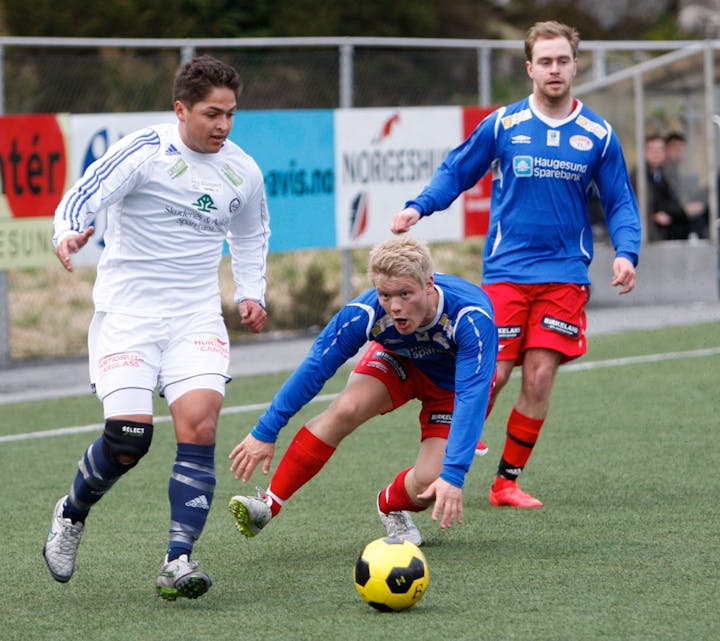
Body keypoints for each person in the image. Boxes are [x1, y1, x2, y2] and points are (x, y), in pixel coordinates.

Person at [44, 55, 271, 600]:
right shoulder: (144, 151)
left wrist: (250, 293)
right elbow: (83, 194)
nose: (222, 125)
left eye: (230, 115)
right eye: (212, 114)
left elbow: (250, 233)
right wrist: (70, 232)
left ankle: (178, 559)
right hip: (129, 315)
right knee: (128, 439)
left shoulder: (244, 171)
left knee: (201, 423)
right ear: (181, 110)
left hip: (195, 318)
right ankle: (72, 511)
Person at [390, 20, 641, 509]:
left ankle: (506, 482)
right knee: (495, 371)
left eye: (562, 60)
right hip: (507, 270)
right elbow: (458, 170)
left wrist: (628, 252)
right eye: (544, 61)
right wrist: (420, 205)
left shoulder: (598, 135)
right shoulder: (504, 124)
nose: (554, 69)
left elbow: (621, 203)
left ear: (574, 65)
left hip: (565, 272)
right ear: (529, 68)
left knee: (540, 374)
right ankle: (448, 458)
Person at [227, 235, 497, 546]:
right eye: (385, 294)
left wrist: (454, 474)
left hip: (450, 388)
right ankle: (268, 505)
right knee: (346, 408)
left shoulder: (471, 317)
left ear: (428, 284)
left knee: (430, 481)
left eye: (405, 294)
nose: (395, 306)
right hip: (401, 361)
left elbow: (471, 396)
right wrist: (266, 430)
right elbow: (315, 367)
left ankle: (390, 506)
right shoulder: (366, 312)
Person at [643, 133, 691, 242]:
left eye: (660, 150)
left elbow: (672, 199)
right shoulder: (638, 176)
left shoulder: (665, 174)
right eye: (652, 150)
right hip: (649, 225)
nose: (656, 154)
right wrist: (652, 215)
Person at [663, 130, 709, 239]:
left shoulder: (677, 170)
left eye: (681, 148)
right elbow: (666, 200)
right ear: (666, 149)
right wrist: (684, 209)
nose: (679, 151)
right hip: (672, 217)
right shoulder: (663, 171)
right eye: (675, 148)